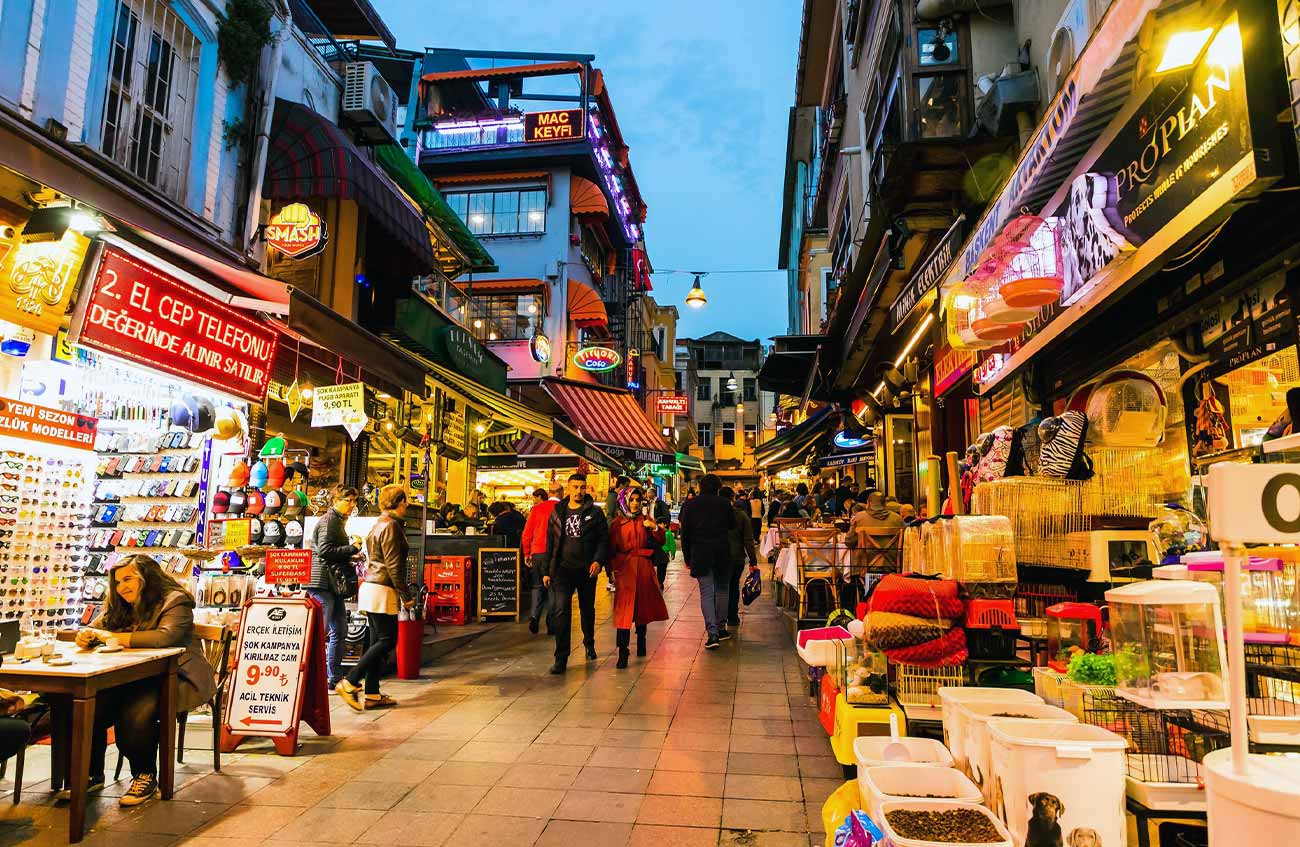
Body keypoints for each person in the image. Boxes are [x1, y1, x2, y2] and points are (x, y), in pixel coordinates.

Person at [73, 555, 216, 807]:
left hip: (176, 675)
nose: (121, 587)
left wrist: (107, 637)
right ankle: (91, 774)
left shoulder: (175, 600)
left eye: (128, 579)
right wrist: (86, 636)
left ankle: (145, 775)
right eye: (117, 582)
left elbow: (164, 638)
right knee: (90, 704)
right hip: (134, 675)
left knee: (136, 711)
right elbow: (96, 628)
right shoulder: (121, 604)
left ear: (148, 579)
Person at [337, 485, 414, 711]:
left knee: (375, 641)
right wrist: (406, 595)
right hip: (382, 589)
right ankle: (350, 681)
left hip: (372, 587)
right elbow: (393, 565)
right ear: (398, 503)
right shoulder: (390, 526)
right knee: (388, 640)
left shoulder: (379, 524)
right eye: (405, 501)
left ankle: (372, 694)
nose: (407, 505)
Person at [544, 473, 609, 674]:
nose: (578, 491)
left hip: (586, 570)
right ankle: (561, 657)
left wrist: (598, 560)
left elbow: (603, 540)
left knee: (587, 610)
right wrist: (547, 570)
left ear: (586, 488)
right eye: (575, 487)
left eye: (582, 487)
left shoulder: (595, 513)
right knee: (561, 611)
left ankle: (589, 642)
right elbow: (550, 543)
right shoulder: (557, 512)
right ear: (568, 488)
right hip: (563, 569)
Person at [607, 487, 670, 667]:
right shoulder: (617, 524)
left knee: (642, 607)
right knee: (624, 612)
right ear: (624, 501)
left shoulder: (646, 521)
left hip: (643, 568)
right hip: (625, 570)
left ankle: (641, 641)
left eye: (637, 500)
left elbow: (661, 540)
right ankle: (623, 651)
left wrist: (655, 527)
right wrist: (611, 570)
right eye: (631, 500)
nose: (635, 503)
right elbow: (611, 549)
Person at [307, 485, 360, 688]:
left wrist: (350, 553)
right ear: (336, 500)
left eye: (354, 501)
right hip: (322, 582)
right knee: (320, 632)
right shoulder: (329, 521)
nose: (351, 505)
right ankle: (312, 678)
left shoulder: (337, 521)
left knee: (340, 629)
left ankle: (334, 678)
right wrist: (351, 548)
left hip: (332, 583)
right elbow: (325, 550)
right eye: (348, 500)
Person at [678, 473, 734, 648]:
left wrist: (687, 557)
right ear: (717, 487)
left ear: (700, 487)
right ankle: (721, 628)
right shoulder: (725, 504)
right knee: (723, 589)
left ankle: (712, 634)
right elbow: (731, 525)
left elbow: (685, 533)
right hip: (722, 552)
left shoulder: (690, 505)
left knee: (707, 593)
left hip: (701, 553)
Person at [521, 485, 561, 634]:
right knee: (553, 588)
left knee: (537, 586)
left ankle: (534, 617)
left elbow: (527, 533)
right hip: (555, 555)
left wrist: (527, 553)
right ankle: (551, 622)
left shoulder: (537, 509)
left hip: (538, 552)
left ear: (548, 494)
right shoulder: (563, 508)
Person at [723, 487, 759, 629]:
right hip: (737, 557)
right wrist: (753, 561)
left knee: (720, 587)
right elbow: (748, 541)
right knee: (733, 586)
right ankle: (732, 616)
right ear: (733, 498)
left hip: (720, 558)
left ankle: (719, 618)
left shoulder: (715, 515)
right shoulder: (742, 515)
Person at [644, 486, 672, 586]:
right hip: (647, 530)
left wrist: (662, 526)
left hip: (656, 528)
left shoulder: (660, 503)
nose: (647, 494)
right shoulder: (646, 504)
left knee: (661, 558)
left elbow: (666, 515)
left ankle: (659, 582)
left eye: (648, 492)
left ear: (653, 493)